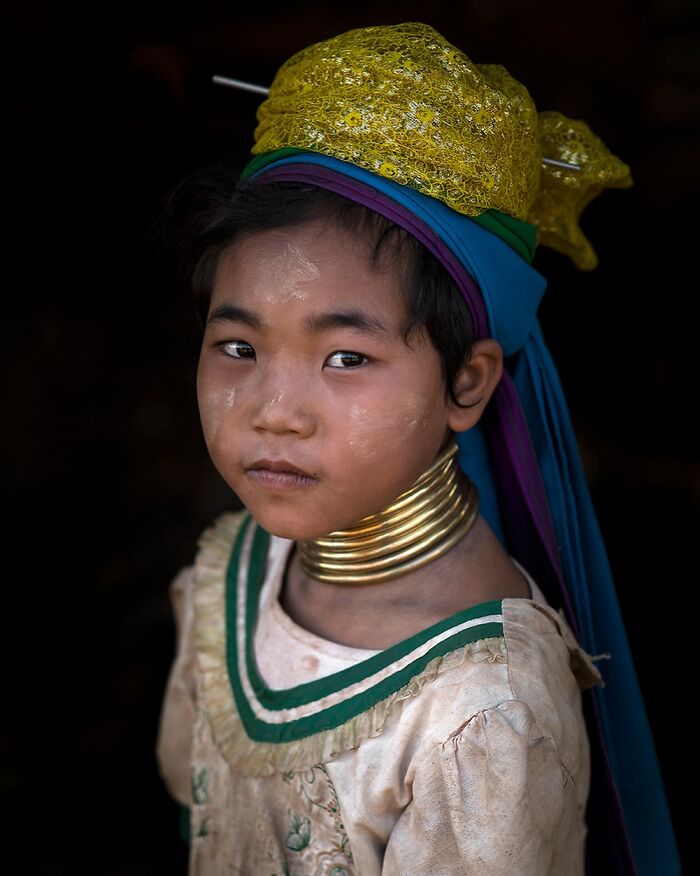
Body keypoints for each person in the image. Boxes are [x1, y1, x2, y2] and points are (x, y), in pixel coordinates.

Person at [156, 22, 680, 875]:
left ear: (466, 384)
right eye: (240, 348)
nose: (274, 412)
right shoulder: (233, 577)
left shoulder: (481, 711)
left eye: (347, 358)